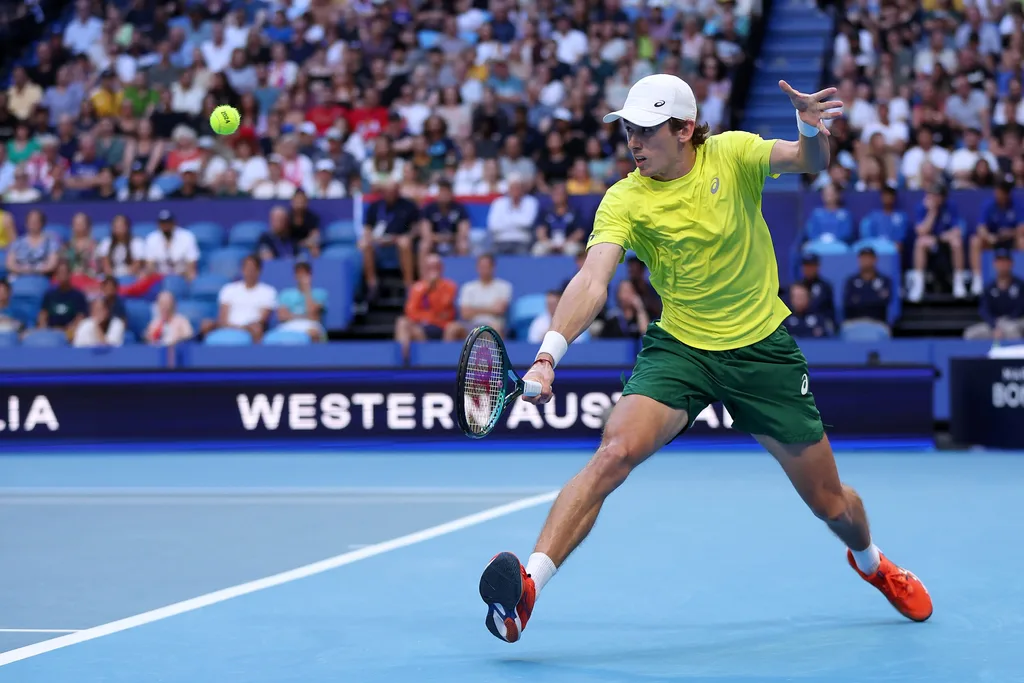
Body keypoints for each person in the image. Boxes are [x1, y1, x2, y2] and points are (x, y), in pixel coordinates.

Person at [478, 74, 932, 646]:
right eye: (627, 130)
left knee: (831, 504)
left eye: (645, 131)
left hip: (761, 352)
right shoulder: (625, 197)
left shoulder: (733, 155)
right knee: (613, 453)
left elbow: (805, 160)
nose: (633, 143)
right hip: (682, 349)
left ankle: (871, 563)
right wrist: (548, 355)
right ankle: (528, 590)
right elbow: (592, 279)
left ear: (685, 128)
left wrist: (809, 131)